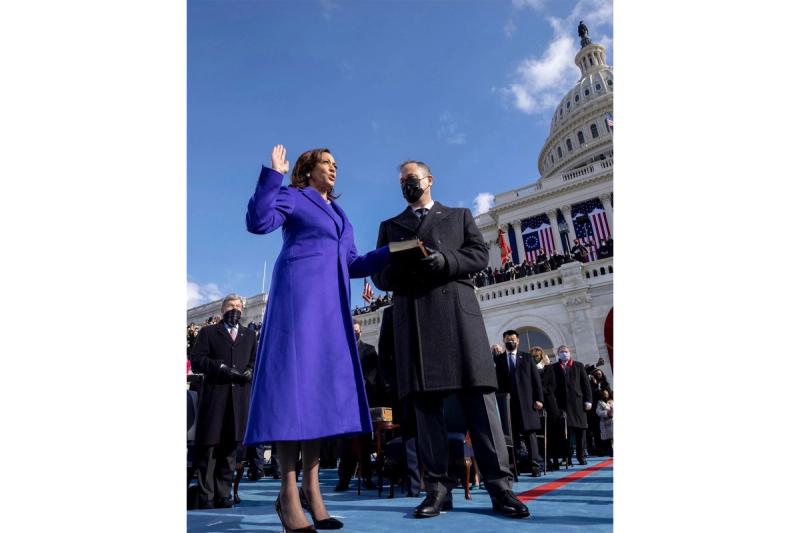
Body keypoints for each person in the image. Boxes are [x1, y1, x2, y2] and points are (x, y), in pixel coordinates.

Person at [243, 145, 390, 532]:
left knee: (318, 395)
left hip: (330, 309)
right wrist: (272, 175)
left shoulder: (343, 216)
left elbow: (353, 263)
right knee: (294, 392)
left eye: (336, 165)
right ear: (308, 171)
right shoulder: (294, 196)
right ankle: (288, 495)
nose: (334, 169)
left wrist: (392, 253)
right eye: (326, 163)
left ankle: (312, 488)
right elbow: (258, 223)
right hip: (298, 301)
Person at [372, 159, 529, 520]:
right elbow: (380, 276)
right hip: (414, 319)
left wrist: (445, 261)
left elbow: (479, 255)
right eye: (401, 182)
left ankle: (500, 488)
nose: (407, 185)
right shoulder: (389, 226)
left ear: (429, 179)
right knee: (427, 411)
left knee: (480, 404)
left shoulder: (458, 216)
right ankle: (438, 489)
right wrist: (402, 266)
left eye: (411, 179)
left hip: (458, 317)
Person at [190, 294, 258, 509]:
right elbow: (198, 360)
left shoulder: (249, 335)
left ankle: (223, 494)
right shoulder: (208, 332)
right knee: (209, 449)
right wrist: (219, 367)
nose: (235, 309)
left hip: (238, 399)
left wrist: (250, 371)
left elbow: (255, 360)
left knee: (230, 451)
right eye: (231, 305)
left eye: (239, 306)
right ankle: (205, 495)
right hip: (215, 398)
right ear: (222, 309)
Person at [494, 330, 545, 477]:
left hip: (528, 402)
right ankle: (515, 467)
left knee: (530, 435)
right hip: (508, 404)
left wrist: (539, 399)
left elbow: (536, 380)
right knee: (512, 436)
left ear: (518, 341)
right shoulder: (499, 359)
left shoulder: (527, 358)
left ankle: (535, 465)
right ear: (504, 341)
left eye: (513, 339)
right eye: (508, 339)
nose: (511, 342)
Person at [336, 320, 379, 491]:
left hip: (363, 401)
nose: (355, 333)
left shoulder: (369, 350)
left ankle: (367, 477)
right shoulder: (340, 351)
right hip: (345, 404)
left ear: (361, 332)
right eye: (352, 330)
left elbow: (374, 376)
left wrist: (362, 383)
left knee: (365, 443)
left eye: (357, 331)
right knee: (345, 445)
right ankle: (344, 479)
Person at [544, 345, 593, 467]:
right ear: (558, 354)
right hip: (562, 404)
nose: (563, 354)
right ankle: (568, 457)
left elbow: (585, 385)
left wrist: (588, 401)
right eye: (561, 352)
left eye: (565, 351)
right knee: (566, 432)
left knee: (581, 430)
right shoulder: (553, 367)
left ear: (569, 353)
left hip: (578, 403)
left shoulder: (578, 365)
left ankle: (581, 456)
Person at [595, 389, 614, 456]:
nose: (606, 395)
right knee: (606, 439)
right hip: (605, 423)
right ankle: (608, 451)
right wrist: (607, 413)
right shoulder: (600, 403)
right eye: (604, 394)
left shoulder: (612, 402)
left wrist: (612, 413)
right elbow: (598, 412)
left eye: (606, 394)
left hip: (612, 422)